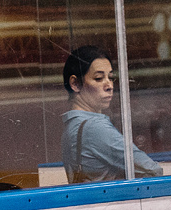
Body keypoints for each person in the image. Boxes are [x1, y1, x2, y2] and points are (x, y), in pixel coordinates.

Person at [61, 45, 163, 183]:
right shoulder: (94, 127)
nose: (109, 86)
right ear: (75, 84)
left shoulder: (73, 125)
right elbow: (152, 170)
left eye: (110, 77)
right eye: (98, 78)